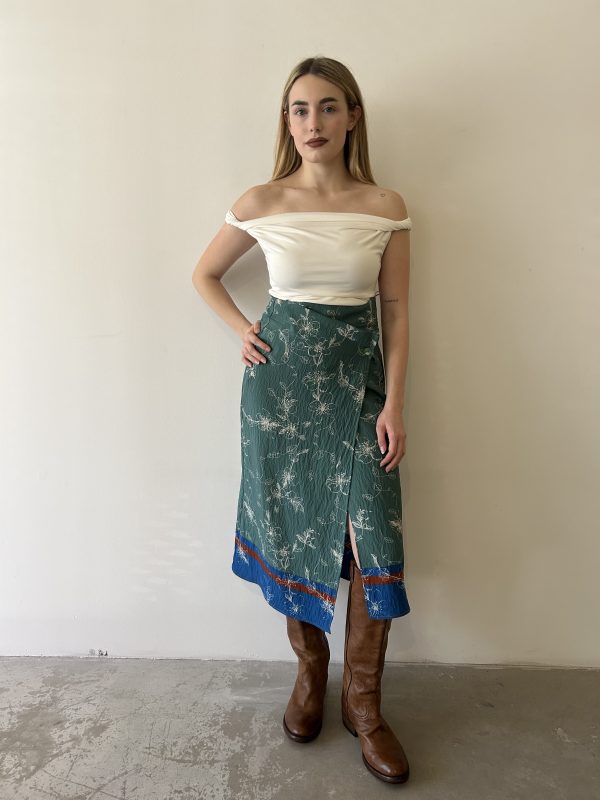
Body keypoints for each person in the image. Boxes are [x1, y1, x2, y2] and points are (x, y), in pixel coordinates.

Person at [192, 55, 412, 785]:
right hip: (280, 396)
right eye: (299, 109)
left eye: (327, 107)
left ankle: (364, 706)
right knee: (294, 527)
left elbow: (396, 312)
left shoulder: (385, 205)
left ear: (352, 117)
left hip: (360, 390)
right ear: (287, 123)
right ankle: (310, 675)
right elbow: (204, 274)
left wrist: (396, 403)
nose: (312, 122)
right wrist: (241, 330)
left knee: (371, 536)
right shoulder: (262, 200)